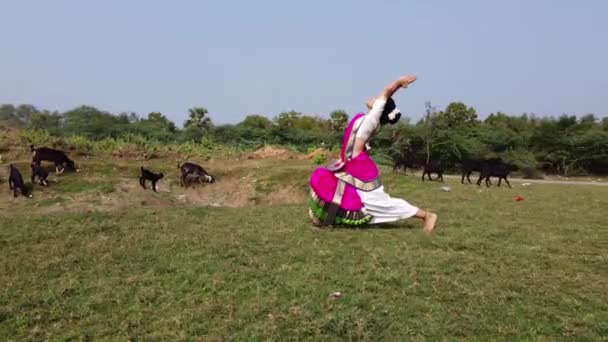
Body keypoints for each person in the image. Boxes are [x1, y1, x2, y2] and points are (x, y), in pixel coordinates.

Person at [309, 75, 438, 233]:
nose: (375, 98)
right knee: (336, 188)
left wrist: (398, 83)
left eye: (378, 100)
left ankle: (427, 216)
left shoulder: (372, 120)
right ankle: (326, 221)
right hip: (354, 164)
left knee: (379, 202)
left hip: (360, 168)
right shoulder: (370, 119)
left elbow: (386, 92)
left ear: (380, 109)